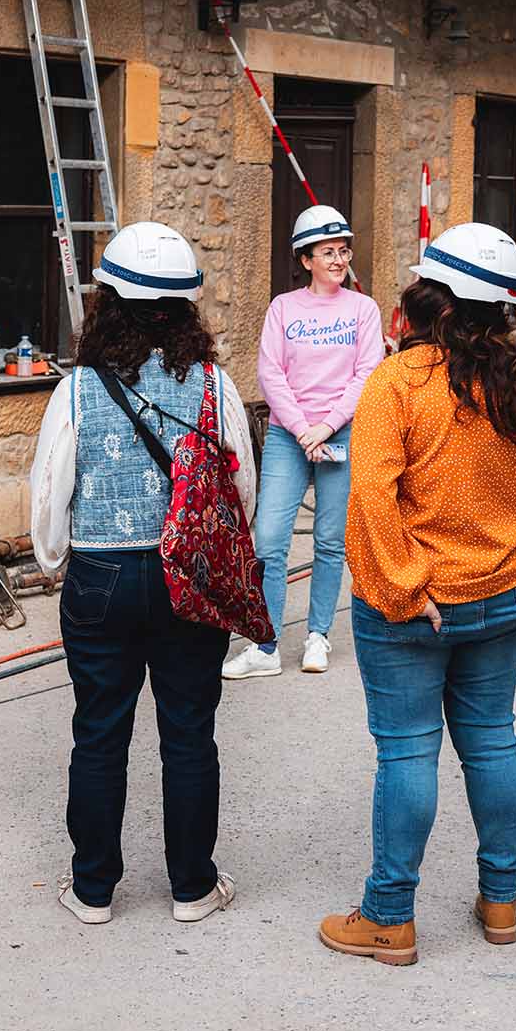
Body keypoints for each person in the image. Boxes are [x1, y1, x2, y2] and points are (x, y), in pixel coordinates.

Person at [318, 223, 516, 966]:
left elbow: (371, 496)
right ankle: (501, 900)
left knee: (409, 752)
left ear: (433, 299)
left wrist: (405, 587)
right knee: (491, 739)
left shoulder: (398, 382)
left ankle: (389, 916)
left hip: (415, 604)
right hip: (506, 592)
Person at [30, 221, 257, 925]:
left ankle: (93, 889)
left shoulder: (76, 391)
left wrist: (55, 560)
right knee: (189, 732)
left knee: (100, 732)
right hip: (188, 576)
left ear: (108, 305)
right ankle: (192, 887)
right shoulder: (215, 385)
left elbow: (50, 492)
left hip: (102, 575)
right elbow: (240, 489)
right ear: (185, 309)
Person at [223, 204, 383, 680]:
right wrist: (301, 430)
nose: (338, 259)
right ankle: (265, 645)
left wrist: (326, 427)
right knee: (270, 540)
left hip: (341, 431)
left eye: (343, 250)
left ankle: (318, 636)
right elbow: (269, 373)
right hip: (288, 435)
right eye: (327, 252)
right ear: (306, 258)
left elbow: (367, 374)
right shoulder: (283, 308)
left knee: (330, 541)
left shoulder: (363, 309)